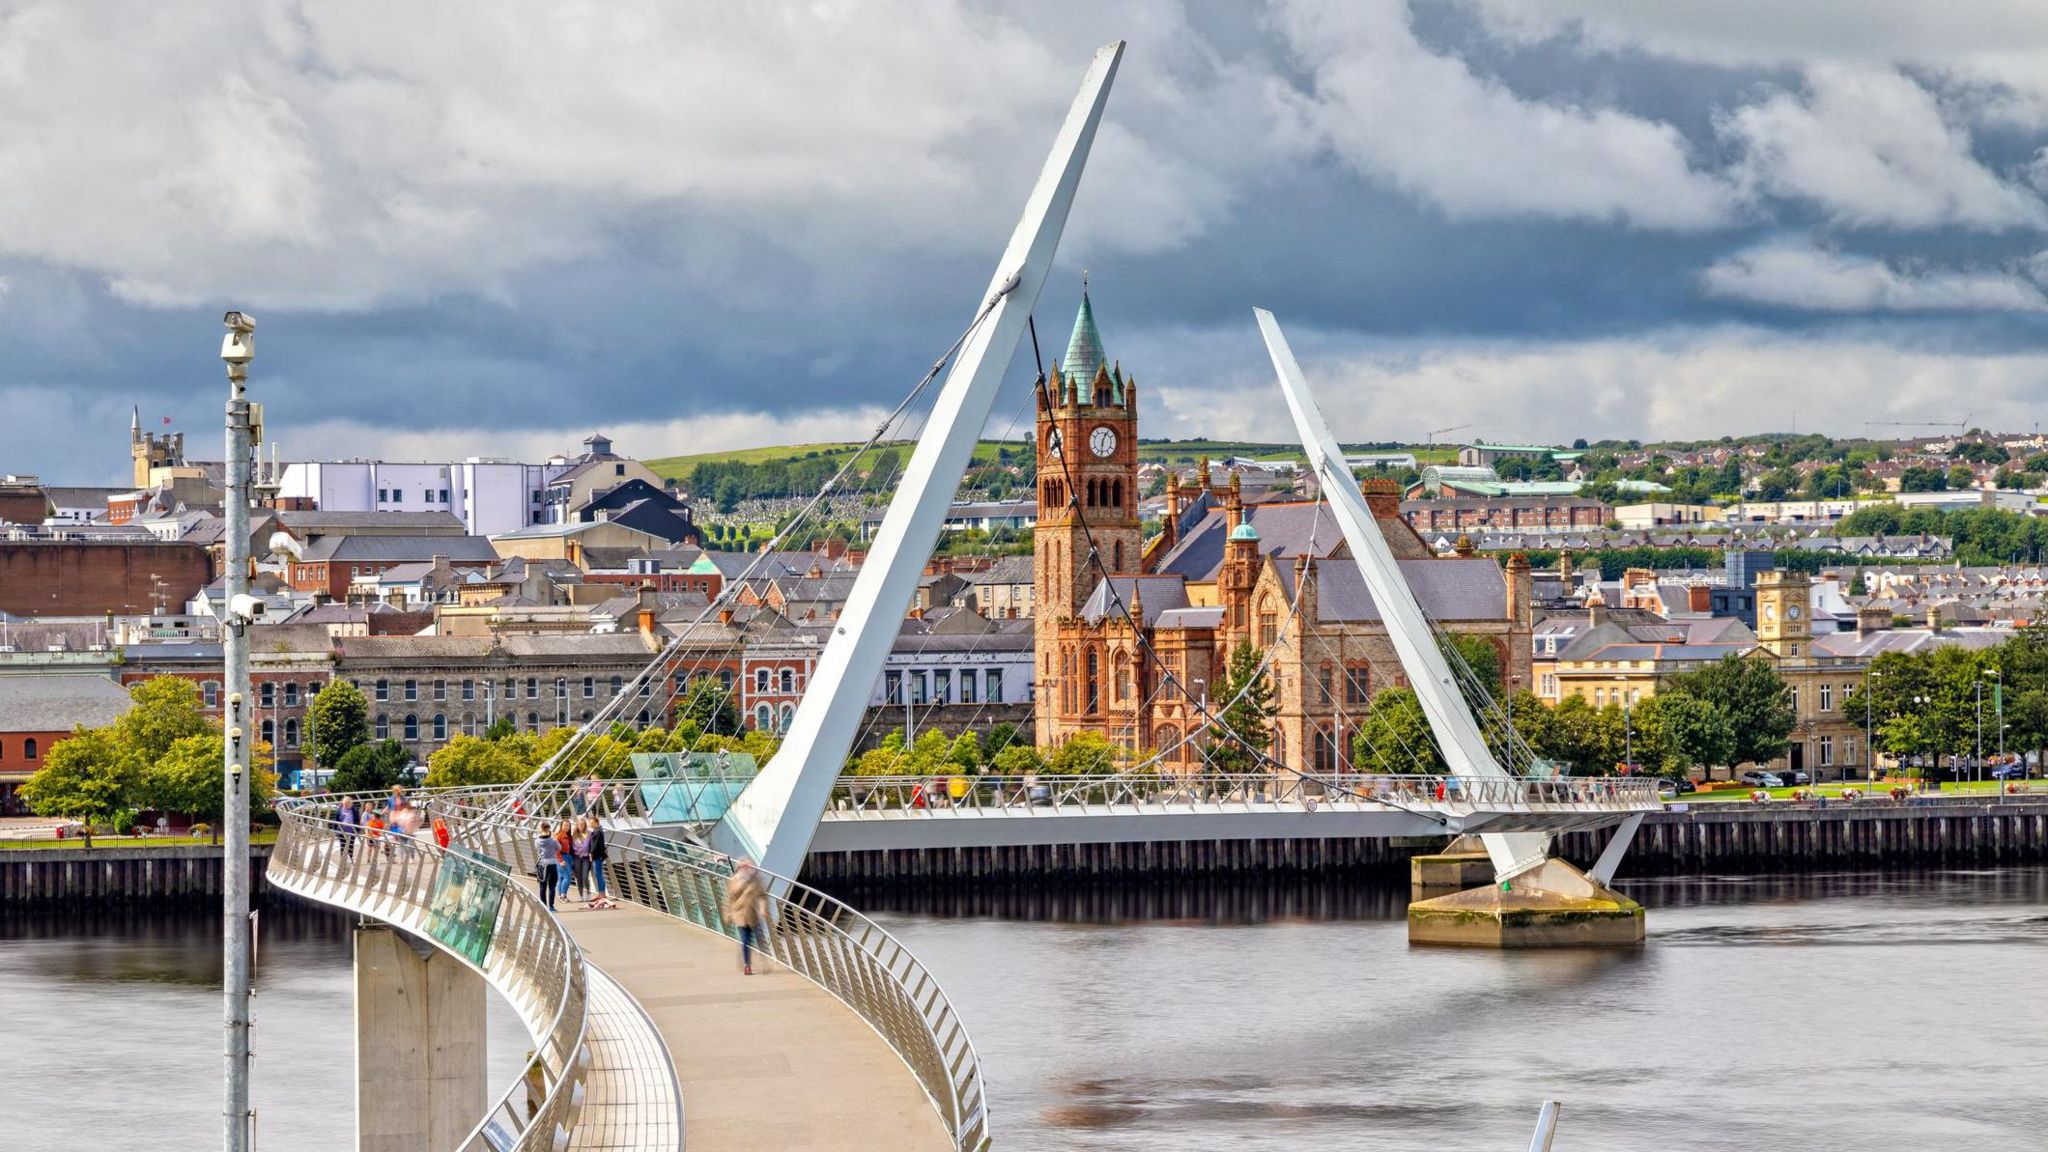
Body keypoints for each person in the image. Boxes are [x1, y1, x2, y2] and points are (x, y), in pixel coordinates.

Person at [724, 859, 769, 975]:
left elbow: (763, 895)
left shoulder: (756, 879)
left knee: (758, 939)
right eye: (744, 866)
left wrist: (763, 908)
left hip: (753, 914)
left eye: (749, 866)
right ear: (739, 867)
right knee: (745, 938)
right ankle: (747, 965)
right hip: (740, 914)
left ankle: (759, 961)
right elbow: (729, 898)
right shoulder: (734, 880)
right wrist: (728, 914)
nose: (747, 869)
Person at [534, 824, 562, 912]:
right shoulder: (553, 840)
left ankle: (543, 906)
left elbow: (537, 849)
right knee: (552, 886)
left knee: (542, 886)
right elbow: (559, 848)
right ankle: (551, 907)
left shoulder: (537, 841)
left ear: (541, 829)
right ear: (549, 828)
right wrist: (555, 839)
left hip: (542, 864)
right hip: (552, 863)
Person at [588, 819, 612, 909]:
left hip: (597, 856)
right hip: (598, 856)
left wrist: (591, 853)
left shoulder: (597, 832)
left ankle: (601, 894)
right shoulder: (598, 831)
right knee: (599, 875)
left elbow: (595, 844)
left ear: (597, 823)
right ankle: (601, 893)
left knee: (598, 875)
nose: (591, 824)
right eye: (590, 823)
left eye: (592, 823)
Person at [570, 819, 593, 904]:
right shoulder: (574, 835)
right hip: (576, 858)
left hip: (586, 858)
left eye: (582, 824)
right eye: (579, 824)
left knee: (585, 876)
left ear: (585, 825)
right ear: (577, 825)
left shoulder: (589, 834)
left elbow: (592, 845)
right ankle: (581, 895)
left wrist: (591, 853)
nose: (581, 826)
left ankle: (588, 893)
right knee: (578, 877)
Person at [555, 820, 575, 901]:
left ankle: (560, 896)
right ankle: (563, 895)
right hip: (562, 857)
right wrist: (560, 860)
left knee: (561, 877)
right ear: (561, 826)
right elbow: (556, 850)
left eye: (568, 825)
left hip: (569, 857)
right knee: (567, 877)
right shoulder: (559, 836)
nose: (566, 827)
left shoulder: (569, 836)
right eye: (565, 825)